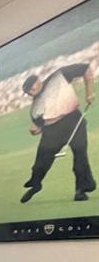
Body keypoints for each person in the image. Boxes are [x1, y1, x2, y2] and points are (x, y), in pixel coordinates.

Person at [20, 61, 95, 203]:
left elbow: (86, 69)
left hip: (74, 121)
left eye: (31, 89)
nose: (30, 93)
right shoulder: (35, 106)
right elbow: (38, 126)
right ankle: (36, 183)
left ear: (38, 81)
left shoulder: (59, 75)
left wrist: (89, 92)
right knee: (42, 158)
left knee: (80, 157)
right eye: (28, 92)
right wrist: (34, 130)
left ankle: (81, 190)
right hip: (52, 131)